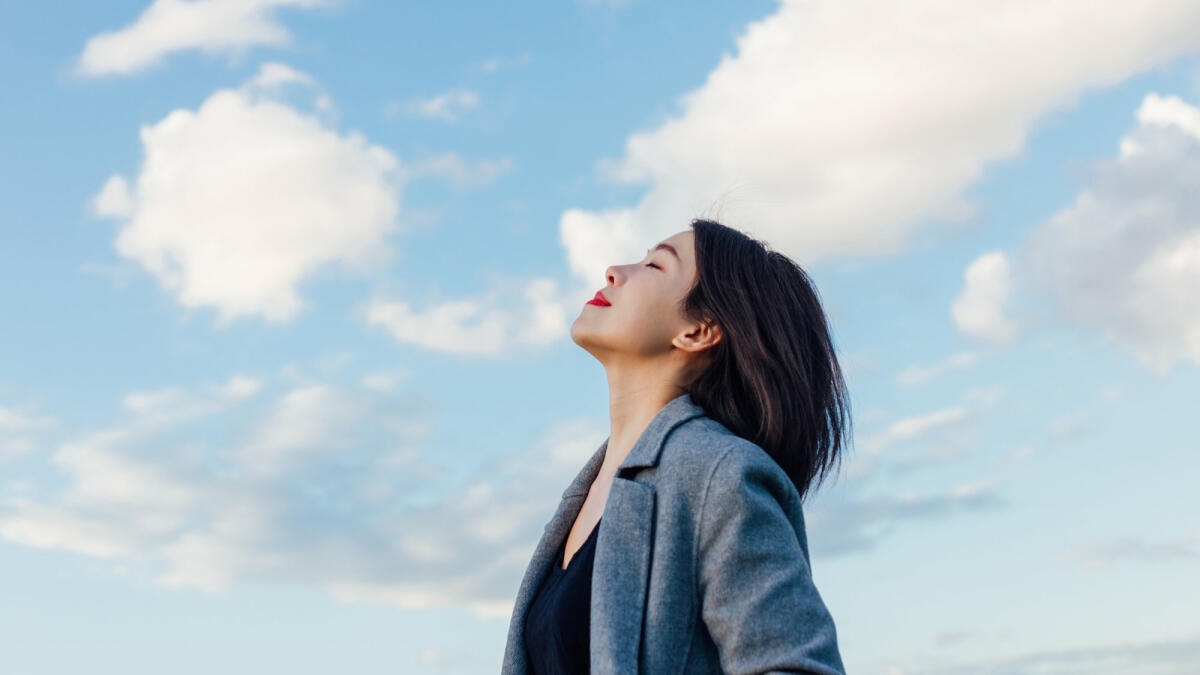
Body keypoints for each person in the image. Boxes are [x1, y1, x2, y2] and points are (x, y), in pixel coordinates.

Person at [501, 218, 851, 674]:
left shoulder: (719, 473)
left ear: (699, 330)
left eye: (654, 265)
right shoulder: (584, 496)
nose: (613, 271)